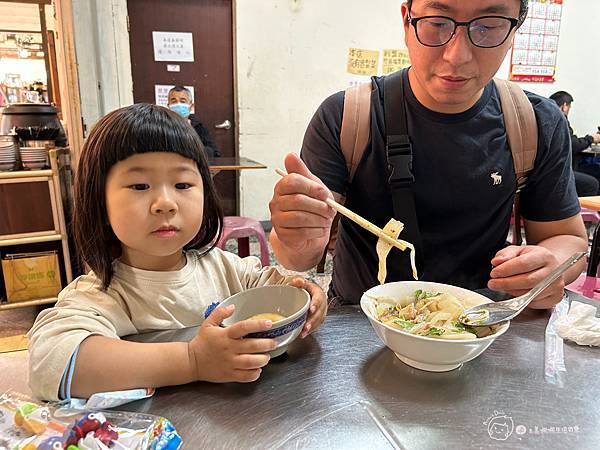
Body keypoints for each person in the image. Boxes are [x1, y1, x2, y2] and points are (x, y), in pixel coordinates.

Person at [270, 0, 587, 310]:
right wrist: (295, 239)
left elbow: (566, 239)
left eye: (488, 27)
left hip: (480, 323)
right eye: (437, 23)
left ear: (515, 29)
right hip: (361, 326)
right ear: (407, 21)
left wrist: (549, 267)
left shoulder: (535, 122)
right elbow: (298, 257)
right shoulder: (345, 117)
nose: (457, 56)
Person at [28, 104, 327, 401]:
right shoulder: (102, 294)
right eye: (140, 185)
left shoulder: (224, 268)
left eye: (182, 184)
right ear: (100, 202)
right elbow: (51, 363)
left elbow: (277, 291)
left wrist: (307, 296)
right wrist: (192, 360)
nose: (165, 203)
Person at [550, 90, 600, 191]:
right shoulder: (559, 119)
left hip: (553, 167)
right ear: (564, 106)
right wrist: (591, 139)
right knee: (593, 182)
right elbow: (572, 144)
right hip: (558, 169)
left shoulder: (548, 116)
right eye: (569, 107)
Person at [167, 85, 221, 157]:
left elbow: (214, 152)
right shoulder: (160, 126)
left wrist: (192, 150)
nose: (178, 104)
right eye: (174, 101)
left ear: (191, 106)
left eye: (183, 101)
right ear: (168, 106)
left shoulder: (199, 127)